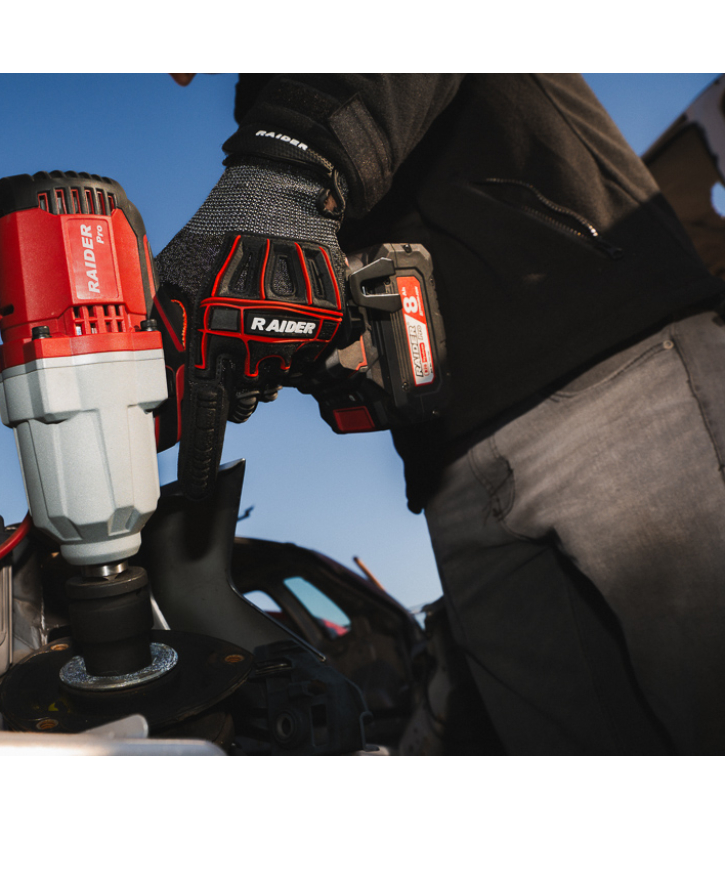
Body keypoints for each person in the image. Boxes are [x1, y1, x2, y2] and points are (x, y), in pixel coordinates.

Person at [153, 74, 725, 755]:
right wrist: (286, 339)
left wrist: (277, 174)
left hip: (613, 371)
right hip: (451, 465)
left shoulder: (296, 103)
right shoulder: (266, 95)